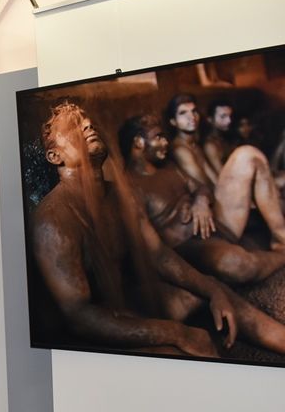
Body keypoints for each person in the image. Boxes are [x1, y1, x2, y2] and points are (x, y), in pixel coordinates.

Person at [32, 101, 285, 358]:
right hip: (89, 330)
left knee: (210, 292)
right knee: (172, 353)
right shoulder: (53, 220)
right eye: (75, 126)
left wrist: (213, 290)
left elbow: (159, 255)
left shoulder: (121, 195)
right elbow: (80, 317)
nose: (87, 125)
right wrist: (178, 333)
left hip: (128, 300)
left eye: (87, 121)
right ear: (55, 156)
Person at [119, 114, 285, 284]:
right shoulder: (129, 186)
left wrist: (200, 201)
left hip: (218, 223)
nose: (165, 142)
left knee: (248, 154)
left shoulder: (167, 167)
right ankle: (281, 257)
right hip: (196, 247)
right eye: (158, 137)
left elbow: (201, 187)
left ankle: (281, 240)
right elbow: (153, 248)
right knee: (240, 266)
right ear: (138, 142)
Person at [165, 93, 285, 251]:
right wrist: (244, 193)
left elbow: (216, 181)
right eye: (183, 113)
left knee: (264, 173)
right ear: (173, 122)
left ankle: (280, 237)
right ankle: (280, 238)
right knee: (247, 154)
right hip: (218, 219)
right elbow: (204, 187)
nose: (191, 117)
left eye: (193, 111)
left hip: (221, 203)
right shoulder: (180, 149)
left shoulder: (194, 145)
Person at [202, 98, 234, 175]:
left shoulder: (225, 137)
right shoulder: (209, 145)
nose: (229, 120)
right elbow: (222, 174)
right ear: (210, 119)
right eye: (223, 116)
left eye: (230, 116)